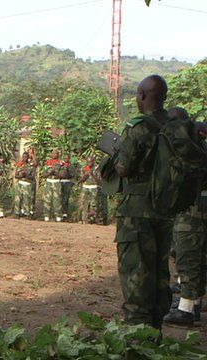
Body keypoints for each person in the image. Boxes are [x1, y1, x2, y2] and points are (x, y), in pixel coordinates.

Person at [113, 75, 173, 329]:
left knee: (136, 274)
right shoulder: (174, 126)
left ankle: (137, 341)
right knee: (160, 274)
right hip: (165, 209)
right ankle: (155, 335)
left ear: (142, 95)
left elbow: (123, 168)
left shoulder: (138, 128)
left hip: (137, 212)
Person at [162, 106, 205, 326]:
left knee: (188, 256)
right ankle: (193, 303)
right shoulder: (198, 146)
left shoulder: (187, 148)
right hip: (197, 207)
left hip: (192, 210)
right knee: (197, 257)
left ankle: (186, 309)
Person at [79, 157, 105, 224]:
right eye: (87, 162)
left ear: (93, 162)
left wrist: (92, 175)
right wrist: (86, 175)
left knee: (94, 204)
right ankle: (84, 219)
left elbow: (99, 181)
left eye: (90, 162)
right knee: (84, 203)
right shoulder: (84, 168)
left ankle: (92, 219)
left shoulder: (97, 168)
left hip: (94, 187)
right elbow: (81, 180)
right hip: (85, 187)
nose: (89, 163)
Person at [13, 150, 38, 219]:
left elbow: (32, 177)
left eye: (26, 157)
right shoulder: (19, 165)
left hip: (28, 183)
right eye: (23, 157)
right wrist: (21, 176)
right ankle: (17, 213)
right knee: (18, 199)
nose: (24, 158)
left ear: (28, 157)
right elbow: (16, 176)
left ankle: (27, 213)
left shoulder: (31, 165)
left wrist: (25, 175)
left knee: (27, 200)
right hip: (20, 183)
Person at [43, 149, 63, 222]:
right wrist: (49, 173)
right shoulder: (48, 162)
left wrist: (54, 173)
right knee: (47, 199)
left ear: (58, 155)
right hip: (49, 182)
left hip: (56, 182)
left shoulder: (60, 163)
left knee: (57, 199)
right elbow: (44, 174)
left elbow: (62, 175)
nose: (53, 155)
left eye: (55, 153)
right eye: (52, 153)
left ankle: (58, 216)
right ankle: (46, 215)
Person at [59, 154, 75, 221]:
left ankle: (65, 213)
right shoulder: (60, 165)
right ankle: (59, 213)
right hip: (60, 181)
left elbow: (72, 175)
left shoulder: (71, 166)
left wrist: (67, 169)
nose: (66, 159)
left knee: (66, 198)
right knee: (59, 198)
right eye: (65, 158)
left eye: (67, 158)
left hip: (67, 182)